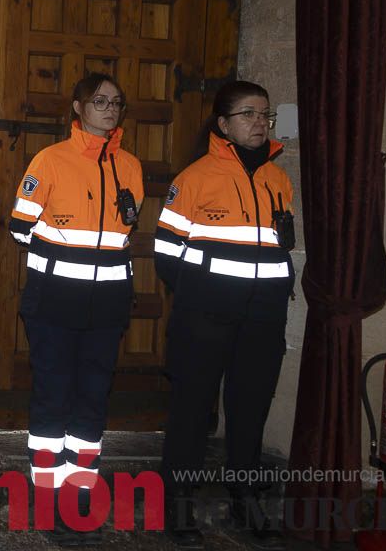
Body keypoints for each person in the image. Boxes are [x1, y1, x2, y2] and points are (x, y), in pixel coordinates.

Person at [155, 82, 294, 550]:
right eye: (249, 114)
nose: (259, 122)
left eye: (265, 114)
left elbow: (280, 248)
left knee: (249, 413)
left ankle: (245, 499)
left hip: (263, 321)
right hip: (204, 319)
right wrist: (207, 296)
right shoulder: (194, 178)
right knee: (192, 414)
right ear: (224, 124)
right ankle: (178, 503)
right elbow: (166, 256)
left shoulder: (277, 179)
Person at [7, 72, 143, 543]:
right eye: (100, 101)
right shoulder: (50, 160)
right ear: (78, 107)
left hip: (106, 305)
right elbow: (20, 228)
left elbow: (128, 228)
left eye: (117, 102)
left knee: (92, 399)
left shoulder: (131, 166)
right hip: (54, 304)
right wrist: (64, 258)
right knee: (53, 397)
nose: (110, 109)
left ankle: (80, 493)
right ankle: (46, 496)